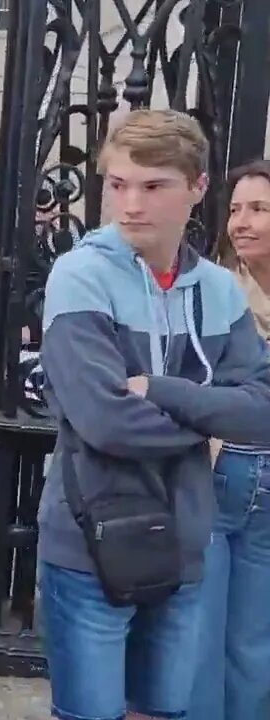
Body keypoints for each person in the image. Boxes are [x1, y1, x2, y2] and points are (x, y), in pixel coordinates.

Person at [39, 109, 270, 720]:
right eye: (117, 185)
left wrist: (163, 391)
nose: (129, 203)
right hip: (91, 534)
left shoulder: (219, 289)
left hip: (184, 537)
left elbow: (263, 415)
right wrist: (210, 420)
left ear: (196, 189)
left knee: (162, 711)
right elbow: (105, 420)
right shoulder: (80, 274)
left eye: (152, 185)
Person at [191, 159, 270, 720]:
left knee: (255, 642)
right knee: (198, 633)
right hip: (219, 470)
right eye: (236, 209)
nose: (241, 222)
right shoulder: (215, 290)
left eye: (259, 209)